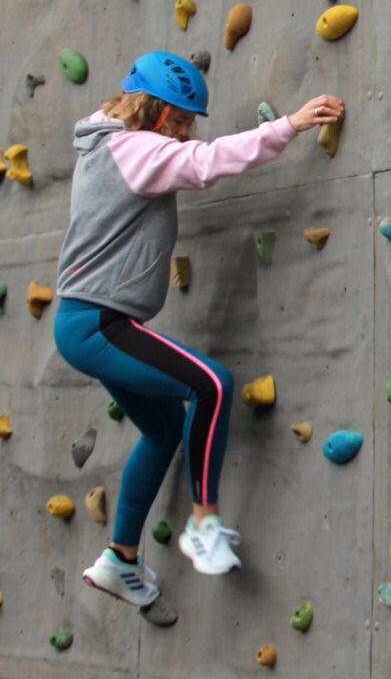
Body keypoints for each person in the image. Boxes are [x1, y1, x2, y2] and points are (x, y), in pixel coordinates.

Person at [53, 50, 344, 609]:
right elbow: (208, 162)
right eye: (182, 121)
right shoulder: (133, 148)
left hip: (88, 322)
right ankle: (204, 522)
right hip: (98, 322)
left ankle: (120, 559)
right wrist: (290, 124)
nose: (186, 133)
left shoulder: (106, 146)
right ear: (157, 112)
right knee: (211, 384)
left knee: (164, 429)